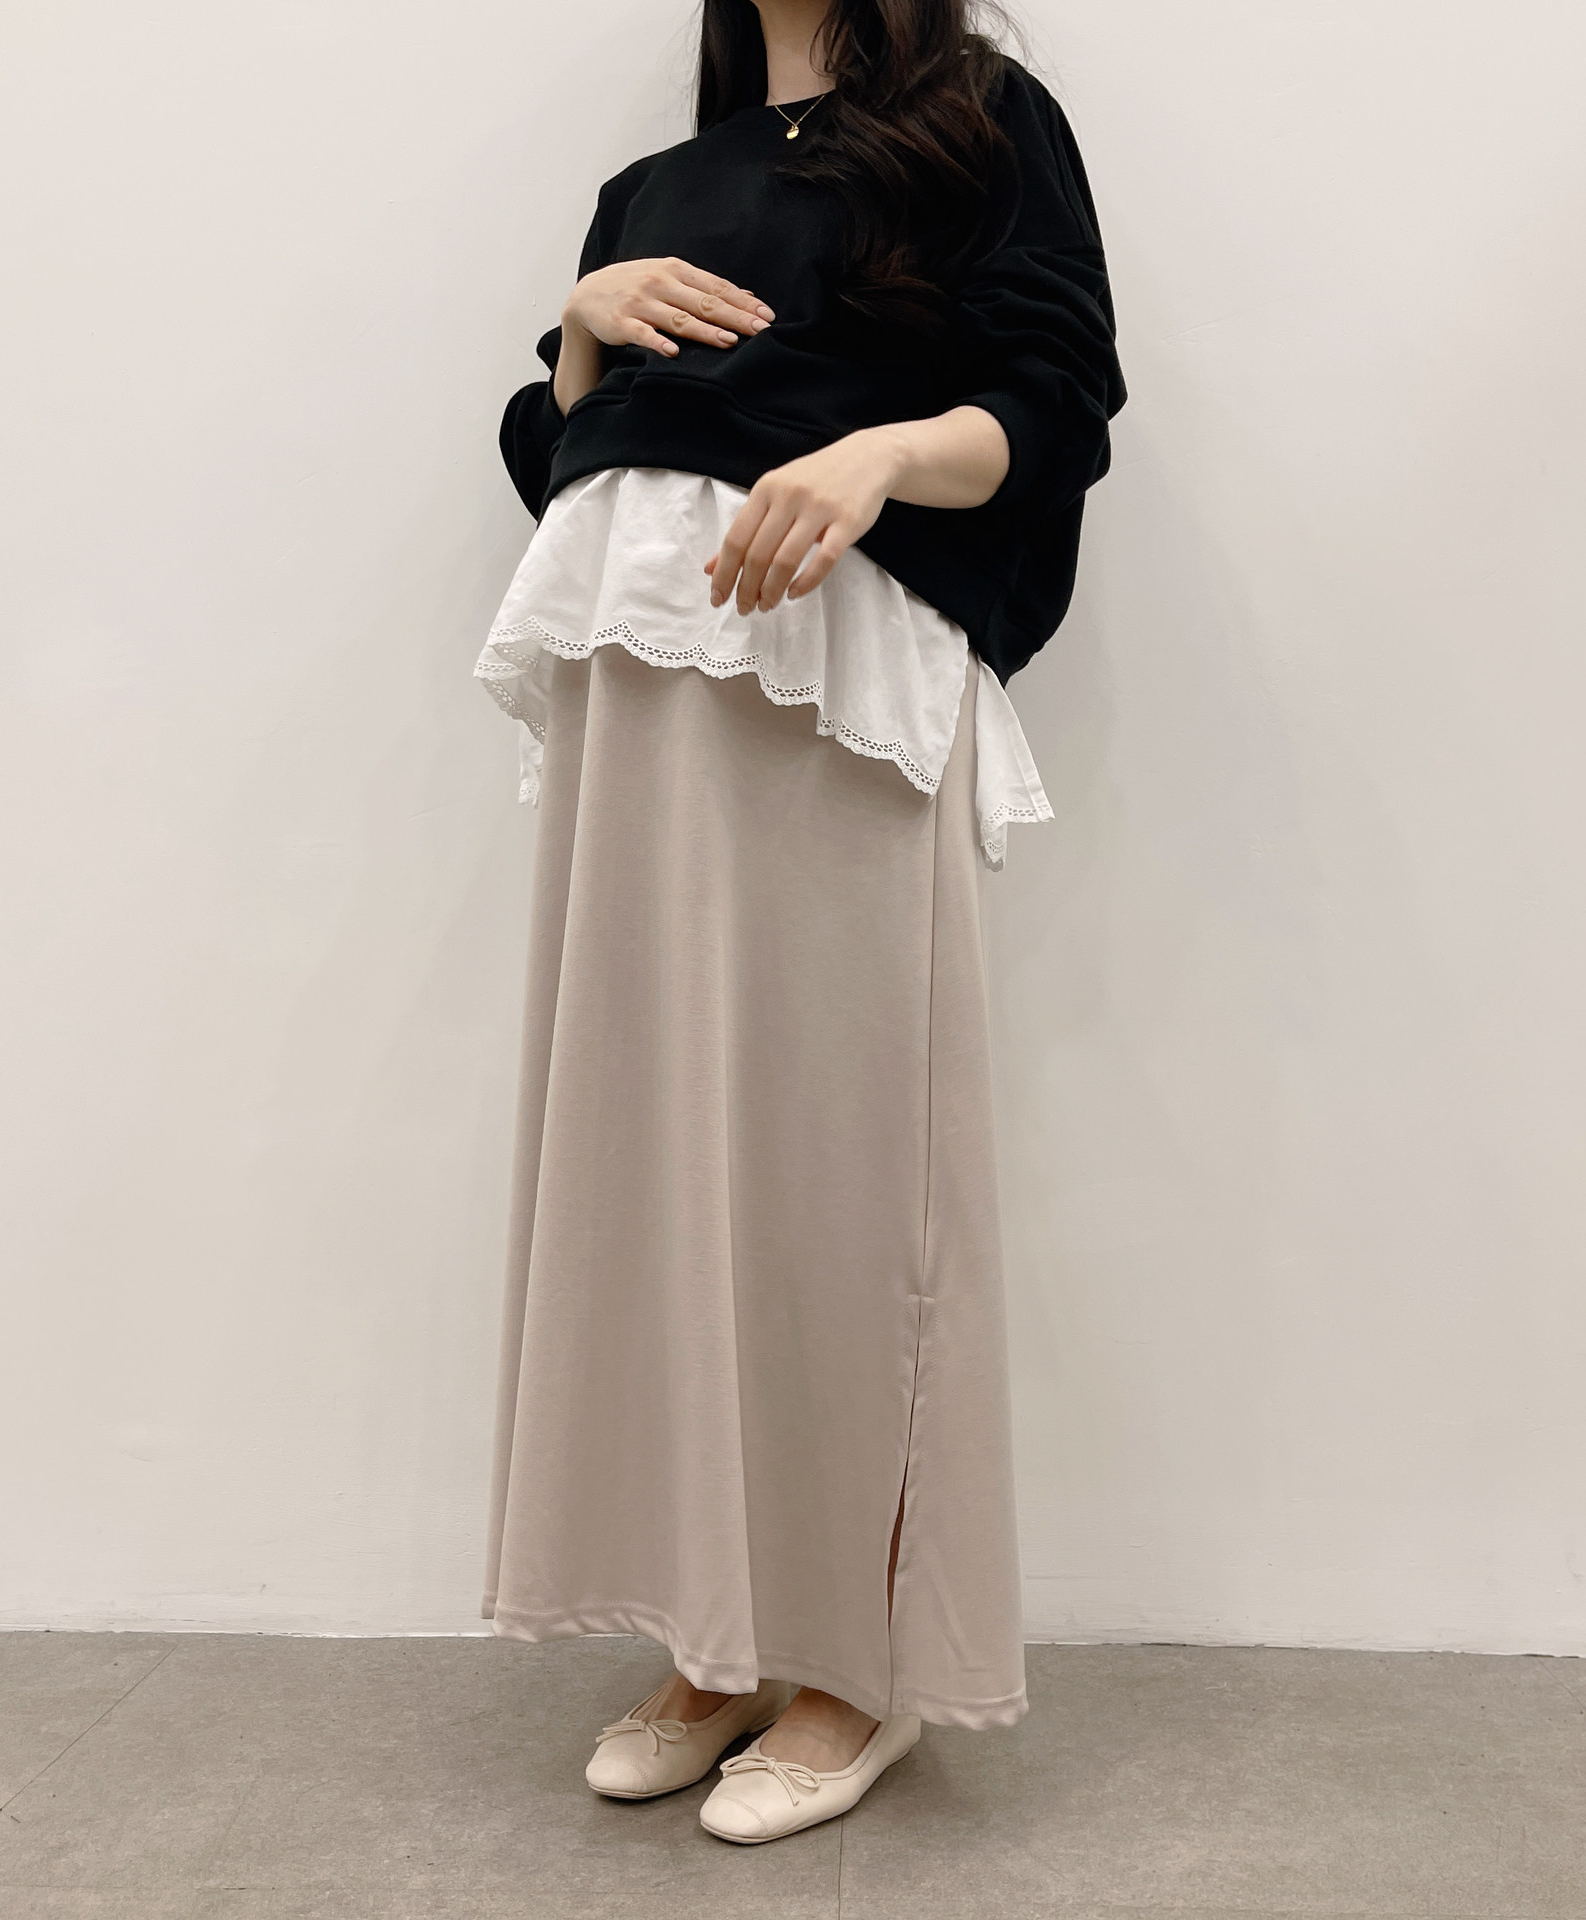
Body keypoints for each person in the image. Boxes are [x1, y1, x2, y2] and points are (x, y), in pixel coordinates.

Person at [476, 0, 1124, 1844]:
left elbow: (1055, 402)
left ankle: (862, 1661)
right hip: (637, 680)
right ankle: (720, 1629)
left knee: (849, 1181)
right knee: (660, 1167)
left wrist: (878, 456)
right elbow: (571, 465)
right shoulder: (649, 186)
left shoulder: (982, 117)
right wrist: (580, 336)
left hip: (833, 670)